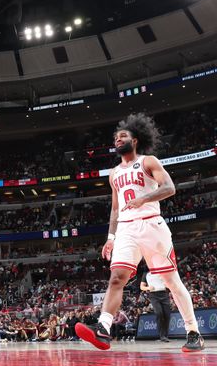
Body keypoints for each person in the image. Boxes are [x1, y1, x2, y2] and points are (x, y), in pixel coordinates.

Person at [75, 113, 205, 352]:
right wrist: (110, 238)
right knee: (117, 278)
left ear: (135, 140)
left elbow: (169, 188)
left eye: (122, 136)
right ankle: (103, 329)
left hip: (152, 225)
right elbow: (115, 209)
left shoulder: (149, 161)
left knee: (171, 282)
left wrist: (143, 198)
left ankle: (193, 331)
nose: (117, 139)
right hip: (126, 228)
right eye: (115, 137)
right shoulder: (114, 173)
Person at [141, 269, 172, 342]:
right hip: (153, 295)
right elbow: (142, 287)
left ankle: (165, 335)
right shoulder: (146, 273)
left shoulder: (162, 270)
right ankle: (162, 336)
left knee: (167, 315)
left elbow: (169, 281)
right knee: (159, 313)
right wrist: (148, 288)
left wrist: (167, 285)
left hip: (164, 294)